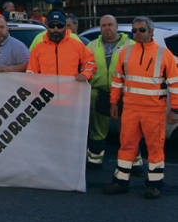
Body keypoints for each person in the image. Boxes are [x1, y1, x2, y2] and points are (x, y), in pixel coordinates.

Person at [104, 17, 178, 199]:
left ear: (151, 32)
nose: (137, 33)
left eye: (142, 30)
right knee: (127, 145)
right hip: (130, 109)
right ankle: (121, 181)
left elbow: (174, 85)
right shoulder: (126, 53)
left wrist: (175, 110)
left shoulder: (165, 55)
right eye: (134, 31)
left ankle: (154, 185)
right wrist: (114, 102)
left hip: (154, 111)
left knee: (155, 148)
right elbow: (117, 79)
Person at [85, 14, 136, 171]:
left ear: (117, 25)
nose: (107, 28)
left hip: (124, 94)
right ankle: (94, 162)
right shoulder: (92, 46)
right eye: (104, 25)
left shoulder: (131, 45)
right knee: (97, 131)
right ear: (100, 28)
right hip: (99, 93)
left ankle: (134, 164)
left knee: (128, 130)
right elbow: (84, 66)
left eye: (110, 24)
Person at [26, 11, 95, 80]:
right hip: (46, 90)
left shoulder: (76, 45)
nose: (56, 29)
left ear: (65, 27)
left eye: (60, 26)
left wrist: (85, 74)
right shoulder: (38, 48)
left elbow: (90, 62)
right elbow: (31, 72)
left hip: (71, 90)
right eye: (52, 26)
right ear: (47, 27)